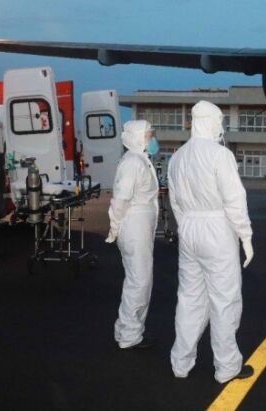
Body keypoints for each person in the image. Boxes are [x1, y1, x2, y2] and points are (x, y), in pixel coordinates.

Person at [168, 100, 255, 383]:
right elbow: (234, 200)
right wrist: (245, 235)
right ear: (211, 121)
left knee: (189, 299)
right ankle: (226, 366)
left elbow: (175, 202)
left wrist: (187, 227)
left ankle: (181, 363)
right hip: (217, 229)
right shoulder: (220, 155)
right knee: (224, 300)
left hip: (189, 229)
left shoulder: (178, 156)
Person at [106, 120, 159, 350]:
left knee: (139, 281)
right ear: (137, 138)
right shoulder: (132, 163)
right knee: (139, 282)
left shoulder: (139, 160)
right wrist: (114, 226)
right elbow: (120, 199)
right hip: (134, 227)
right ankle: (129, 335)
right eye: (149, 135)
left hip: (140, 226)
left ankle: (127, 330)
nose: (152, 139)